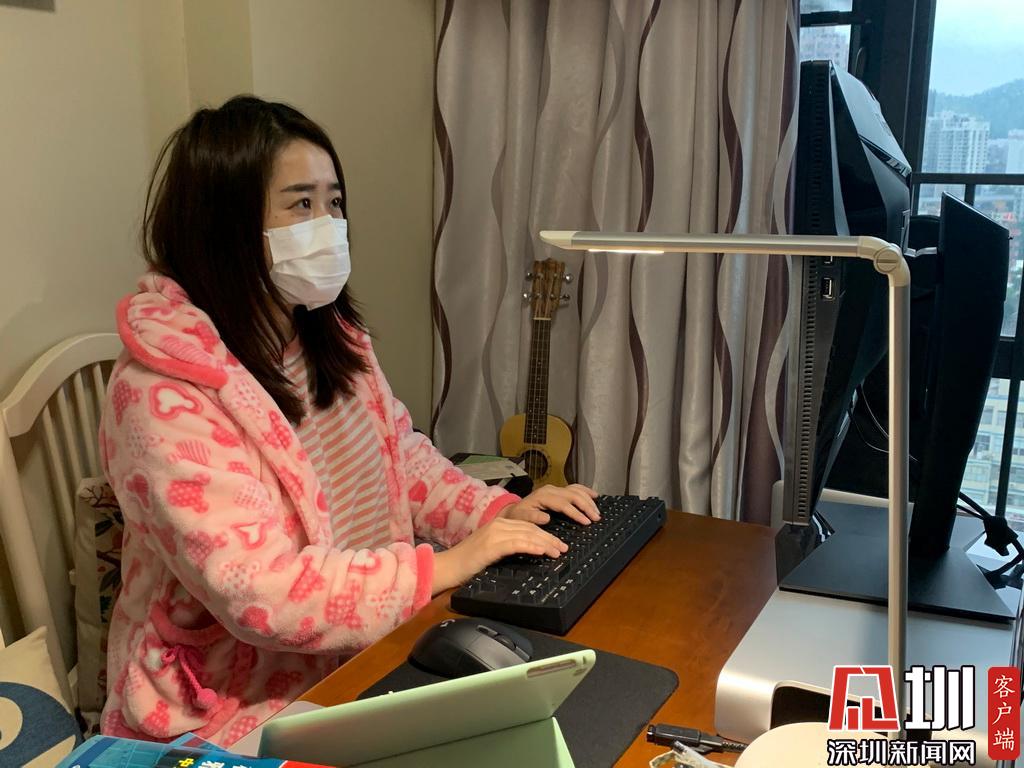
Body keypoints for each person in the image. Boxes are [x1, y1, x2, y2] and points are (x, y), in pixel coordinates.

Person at [99, 95, 600, 745]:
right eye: (301, 204)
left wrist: (495, 516)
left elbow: (400, 457)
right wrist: (443, 568)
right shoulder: (158, 394)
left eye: (334, 203)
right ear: (224, 222)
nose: (329, 225)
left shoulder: (326, 335)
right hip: (225, 704)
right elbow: (261, 592)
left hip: (361, 652)